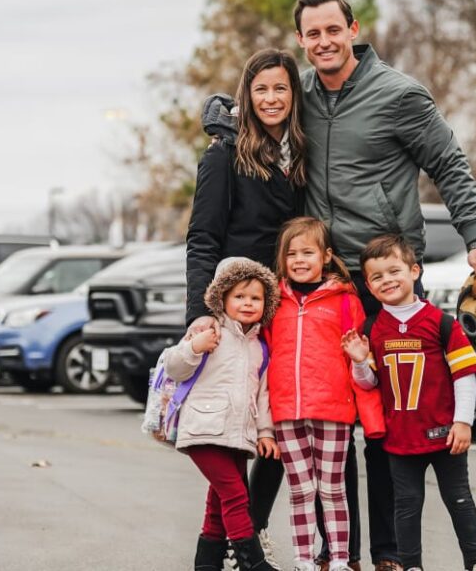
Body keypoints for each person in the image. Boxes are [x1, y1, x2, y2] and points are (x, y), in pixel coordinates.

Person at [292, 0, 476, 570]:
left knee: (387, 425)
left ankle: (388, 553)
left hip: (386, 279)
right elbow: (261, 102)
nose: (325, 42)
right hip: (327, 284)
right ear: (302, 41)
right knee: (332, 425)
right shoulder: (301, 91)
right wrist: (222, 113)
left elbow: (448, 162)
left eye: (334, 30)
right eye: (312, 34)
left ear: (353, 29)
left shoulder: (399, 95)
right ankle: (340, 554)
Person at [185, 48, 307, 568]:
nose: (271, 98)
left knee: (273, 429)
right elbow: (202, 238)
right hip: (238, 313)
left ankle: (226, 549)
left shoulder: (303, 154)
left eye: (281, 88)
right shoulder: (223, 155)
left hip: (289, 308)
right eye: (261, 90)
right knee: (231, 441)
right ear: (246, 97)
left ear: (293, 95)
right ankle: (246, 547)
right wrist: (202, 312)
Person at [343, 234, 476, 571]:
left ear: (414, 271)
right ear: (368, 284)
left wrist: (463, 422)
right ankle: (412, 565)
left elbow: (464, 374)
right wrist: (361, 361)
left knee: (459, 499)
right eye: (377, 276)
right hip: (400, 437)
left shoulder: (441, 323)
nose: (387, 280)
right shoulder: (372, 327)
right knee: (406, 506)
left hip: (444, 434)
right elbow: (369, 383)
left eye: (394, 271)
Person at [265, 217, 380, 571]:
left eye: (307, 252)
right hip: (286, 410)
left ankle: (341, 559)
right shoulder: (274, 303)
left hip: (333, 410)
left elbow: (359, 360)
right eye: (291, 254)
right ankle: (303, 560)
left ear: (326, 256)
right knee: (300, 491)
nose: (299, 260)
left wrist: (362, 371)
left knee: (332, 491)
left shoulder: (346, 302)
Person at [165, 257, 282, 571]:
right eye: (239, 296)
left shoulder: (260, 347)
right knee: (235, 495)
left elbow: (263, 396)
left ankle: (207, 563)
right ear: (223, 299)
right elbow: (174, 368)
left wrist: (266, 432)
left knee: (218, 500)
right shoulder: (208, 330)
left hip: (237, 434)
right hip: (203, 430)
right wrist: (194, 347)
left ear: (266, 303)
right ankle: (252, 562)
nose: (247, 303)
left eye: (255, 298)